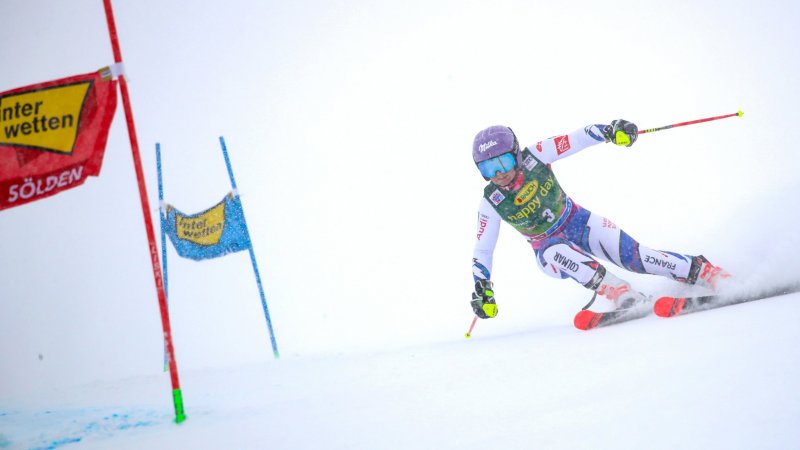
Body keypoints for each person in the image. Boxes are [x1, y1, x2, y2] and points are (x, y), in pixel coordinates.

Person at [470, 120, 730, 325]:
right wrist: (482, 288)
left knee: (637, 258)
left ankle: (705, 272)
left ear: (515, 154)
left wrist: (611, 130)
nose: (499, 174)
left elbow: (579, 137)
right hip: (546, 250)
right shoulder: (491, 201)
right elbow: (483, 250)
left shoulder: (537, 155)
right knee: (555, 251)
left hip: (577, 221)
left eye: (502, 162)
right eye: (487, 169)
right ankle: (621, 293)